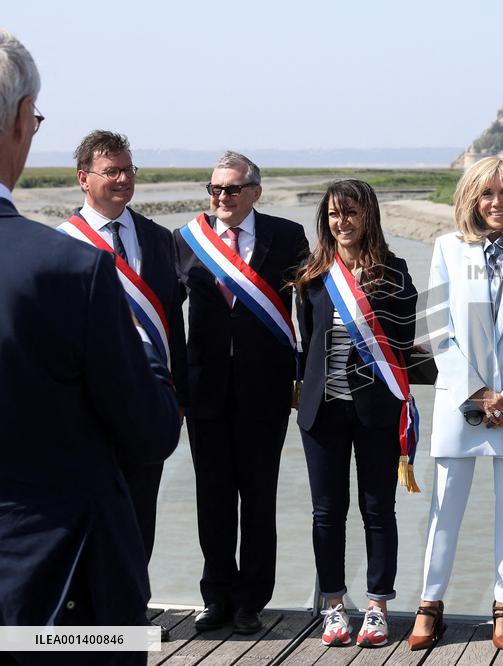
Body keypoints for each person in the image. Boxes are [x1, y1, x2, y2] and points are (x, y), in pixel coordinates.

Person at [0, 29, 180, 664]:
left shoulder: (150, 242)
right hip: (60, 591)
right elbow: (151, 429)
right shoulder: (70, 266)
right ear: (22, 120)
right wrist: (156, 375)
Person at [408, 156, 503, 652]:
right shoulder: (447, 247)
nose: (496, 202)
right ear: (471, 198)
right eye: (486, 193)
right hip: (460, 402)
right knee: (444, 507)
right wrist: (476, 393)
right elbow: (434, 332)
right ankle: (429, 603)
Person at [57, 130, 189, 641]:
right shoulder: (61, 244)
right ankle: (85, 618)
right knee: (86, 516)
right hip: (84, 412)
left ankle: (132, 611)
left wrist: (175, 394)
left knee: (140, 514)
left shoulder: (158, 239)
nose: (123, 179)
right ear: (83, 179)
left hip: (146, 403)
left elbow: (173, 327)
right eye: (111, 171)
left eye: (129, 169)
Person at [174, 151, 309, 634]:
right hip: (205, 390)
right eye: (214, 190)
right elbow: (170, 316)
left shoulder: (287, 236)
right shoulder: (187, 240)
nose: (221, 198)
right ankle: (216, 597)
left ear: (255, 190)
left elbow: (312, 303)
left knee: (257, 499)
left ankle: (251, 600)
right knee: (212, 499)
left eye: (231, 189)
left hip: (265, 391)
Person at [295, 180, 417, 648]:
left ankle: (377, 608)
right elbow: (309, 344)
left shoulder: (395, 273)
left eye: (350, 212)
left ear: (369, 216)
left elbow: (404, 340)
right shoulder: (312, 274)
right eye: (332, 215)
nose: (341, 222)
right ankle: (333, 608)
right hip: (322, 413)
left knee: (377, 510)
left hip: (376, 411)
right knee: (327, 513)